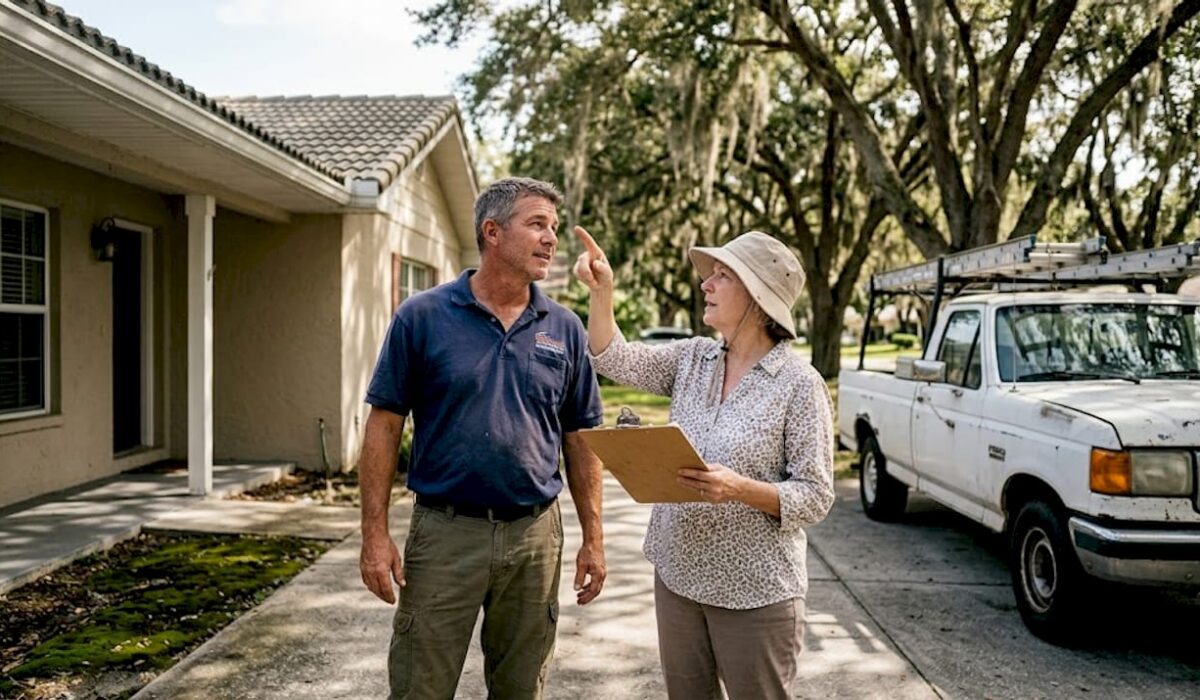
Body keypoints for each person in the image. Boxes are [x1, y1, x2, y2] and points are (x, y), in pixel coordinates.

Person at [359, 177, 607, 700]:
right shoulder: (421, 317)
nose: (551, 239)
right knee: (418, 687)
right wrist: (374, 536)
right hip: (445, 534)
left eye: (554, 228)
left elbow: (581, 437)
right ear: (492, 232)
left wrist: (594, 538)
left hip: (536, 536)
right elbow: (384, 424)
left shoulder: (564, 327)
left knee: (520, 689)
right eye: (537, 224)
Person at [573, 227, 835, 700]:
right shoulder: (694, 358)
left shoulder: (800, 384)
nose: (705, 285)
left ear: (757, 296)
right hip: (677, 576)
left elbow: (815, 495)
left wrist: (740, 488)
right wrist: (601, 291)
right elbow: (614, 358)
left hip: (755, 592)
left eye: (721, 276)